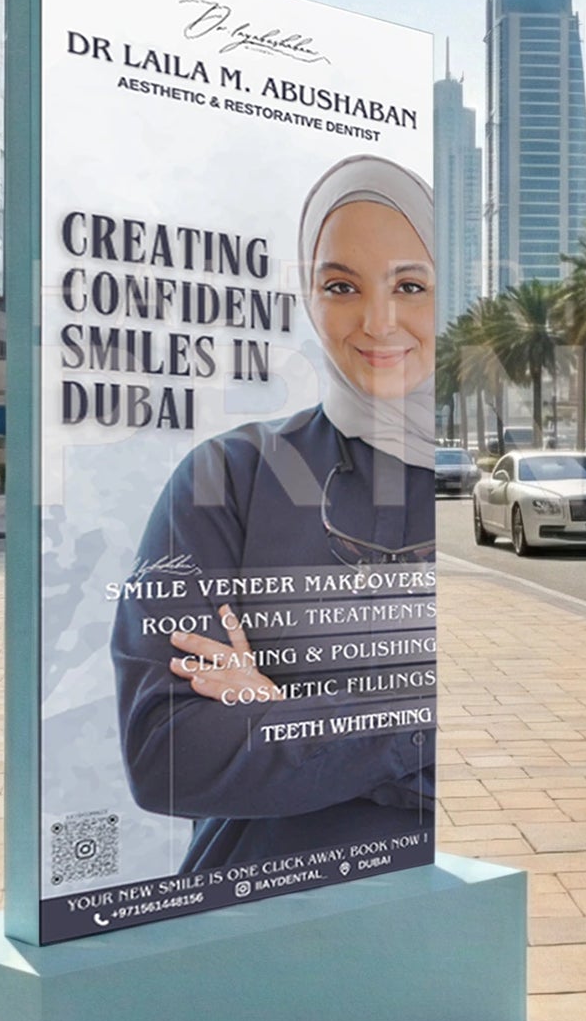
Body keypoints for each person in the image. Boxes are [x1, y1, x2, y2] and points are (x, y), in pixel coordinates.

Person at [110, 155, 437, 876]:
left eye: (410, 285)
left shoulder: (472, 496)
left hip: (458, 908)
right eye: (341, 285)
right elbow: (168, 753)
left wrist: (286, 714)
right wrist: (418, 727)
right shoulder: (226, 477)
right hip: (254, 903)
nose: (379, 321)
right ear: (308, 295)